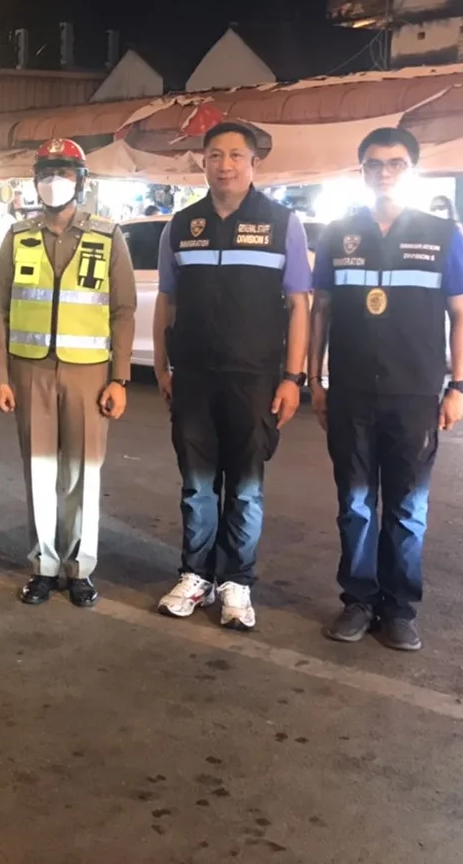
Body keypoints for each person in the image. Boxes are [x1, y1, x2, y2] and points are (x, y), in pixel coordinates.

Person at [310, 128, 463, 652]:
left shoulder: (442, 235)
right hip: (351, 393)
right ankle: (359, 601)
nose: (385, 172)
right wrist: (315, 380)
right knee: (355, 505)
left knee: (407, 508)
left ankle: (399, 608)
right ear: (361, 171)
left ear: (412, 169)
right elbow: (321, 311)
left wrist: (459, 385)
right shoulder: (338, 234)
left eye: (396, 163)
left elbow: (462, 314)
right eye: (374, 164)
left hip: (415, 395)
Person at [153, 122, 312, 632]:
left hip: (254, 378)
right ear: (203, 162)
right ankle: (196, 575)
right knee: (196, 486)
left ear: (253, 163)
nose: (225, 165)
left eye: (236, 155)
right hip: (194, 377)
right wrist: (161, 365)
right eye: (215, 155)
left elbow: (300, 304)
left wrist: (293, 378)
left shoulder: (282, 223)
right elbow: (166, 300)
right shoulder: (181, 225)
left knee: (245, 487)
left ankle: (236, 581)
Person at [0, 139, 137, 607]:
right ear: (35, 183)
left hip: (88, 374)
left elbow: (124, 311)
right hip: (30, 371)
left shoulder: (107, 237)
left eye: (65, 173)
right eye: (46, 174)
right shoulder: (18, 237)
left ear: (81, 182)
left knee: (82, 473)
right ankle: (43, 567)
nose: (54, 182)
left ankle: (79, 568)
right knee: (39, 471)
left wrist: (119, 378)